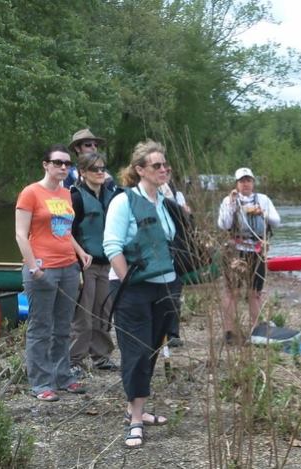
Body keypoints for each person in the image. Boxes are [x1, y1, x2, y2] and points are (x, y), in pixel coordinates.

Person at [103, 140, 179, 448]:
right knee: (135, 352)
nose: (163, 170)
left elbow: (175, 238)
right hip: (133, 288)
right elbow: (112, 246)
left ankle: (136, 408)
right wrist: (127, 283)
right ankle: (135, 420)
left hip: (166, 286)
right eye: (156, 166)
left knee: (152, 349)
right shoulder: (124, 202)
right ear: (139, 170)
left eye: (166, 166)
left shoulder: (165, 200)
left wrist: (172, 199)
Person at [15, 145, 91, 402]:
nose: (63, 167)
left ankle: (62, 376)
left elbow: (64, 230)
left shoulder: (67, 194)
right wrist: (34, 268)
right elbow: (20, 234)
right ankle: (40, 383)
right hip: (42, 268)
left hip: (68, 267)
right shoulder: (31, 193)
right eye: (58, 162)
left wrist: (80, 252)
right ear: (45, 164)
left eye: (67, 164)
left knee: (63, 327)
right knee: (40, 327)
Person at [217, 168, 281, 344]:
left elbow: (277, 221)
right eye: (242, 181)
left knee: (255, 292)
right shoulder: (229, 200)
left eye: (248, 180)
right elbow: (224, 224)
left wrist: (262, 213)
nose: (246, 184)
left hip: (257, 250)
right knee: (232, 291)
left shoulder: (263, 200)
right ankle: (229, 331)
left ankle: (256, 330)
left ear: (253, 182)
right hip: (236, 251)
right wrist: (231, 204)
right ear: (237, 184)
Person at [69, 152, 118, 378]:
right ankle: (74, 360)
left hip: (106, 264)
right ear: (82, 172)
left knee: (104, 312)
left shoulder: (111, 194)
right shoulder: (76, 197)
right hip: (85, 264)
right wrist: (77, 262)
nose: (100, 172)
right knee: (83, 314)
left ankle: (101, 356)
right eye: (94, 169)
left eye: (102, 168)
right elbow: (67, 232)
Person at [159, 176, 191, 348]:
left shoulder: (176, 196)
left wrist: (186, 212)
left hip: (176, 252)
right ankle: (159, 332)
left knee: (174, 293)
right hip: (157, 254)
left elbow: (185, 222)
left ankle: (172, 333)